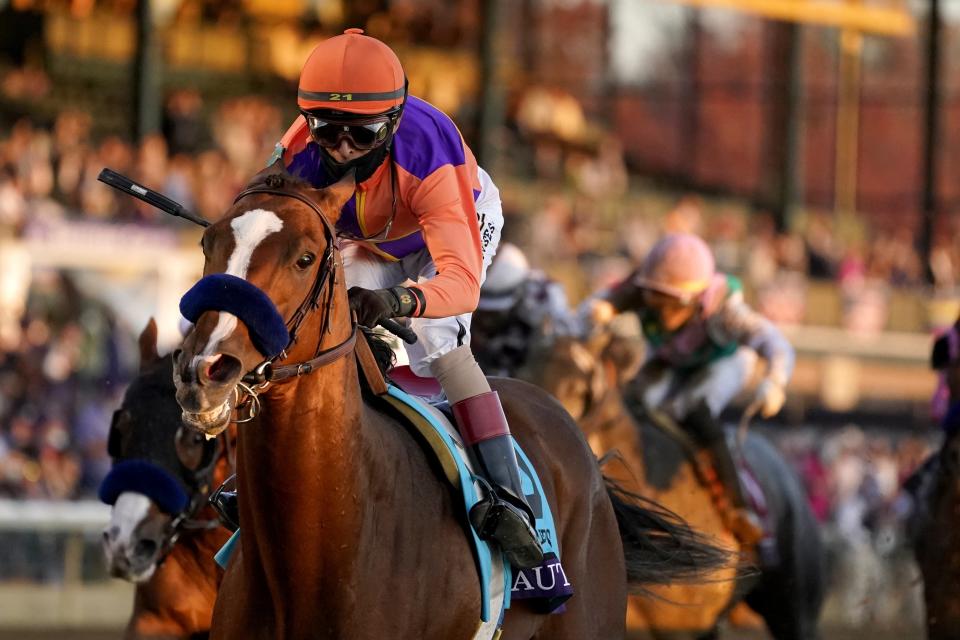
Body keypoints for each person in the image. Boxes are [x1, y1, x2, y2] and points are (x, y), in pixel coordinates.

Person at [226, 29, 541, 568]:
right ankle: (262, 474)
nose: (343, 147)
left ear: (392, 122)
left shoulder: (427, 153)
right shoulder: (299, 152)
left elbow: (460, 282)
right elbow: (260, 222)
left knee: (440, 338)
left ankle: (509, 499)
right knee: (316, 326)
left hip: (458, 222)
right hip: (373, 238)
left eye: (363, 133)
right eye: (328, 130)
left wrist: (398, 302)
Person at [590, 233, 795, 543]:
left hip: (725, 361)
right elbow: (595, 306)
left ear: (697, 297)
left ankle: (737, 506)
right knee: (635, 403)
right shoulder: (641, 288)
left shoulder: (726, 310)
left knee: (695, 409)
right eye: (656, 298)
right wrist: (595, 313)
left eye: (672, 301)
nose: (662, 311)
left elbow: (775, 342)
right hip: (675, 360)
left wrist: (776, 381)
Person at [472, 243, 578, 376]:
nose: (486, 319)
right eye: (483, 313)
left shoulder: (546, 297)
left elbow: (568, 332)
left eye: (493, 314)